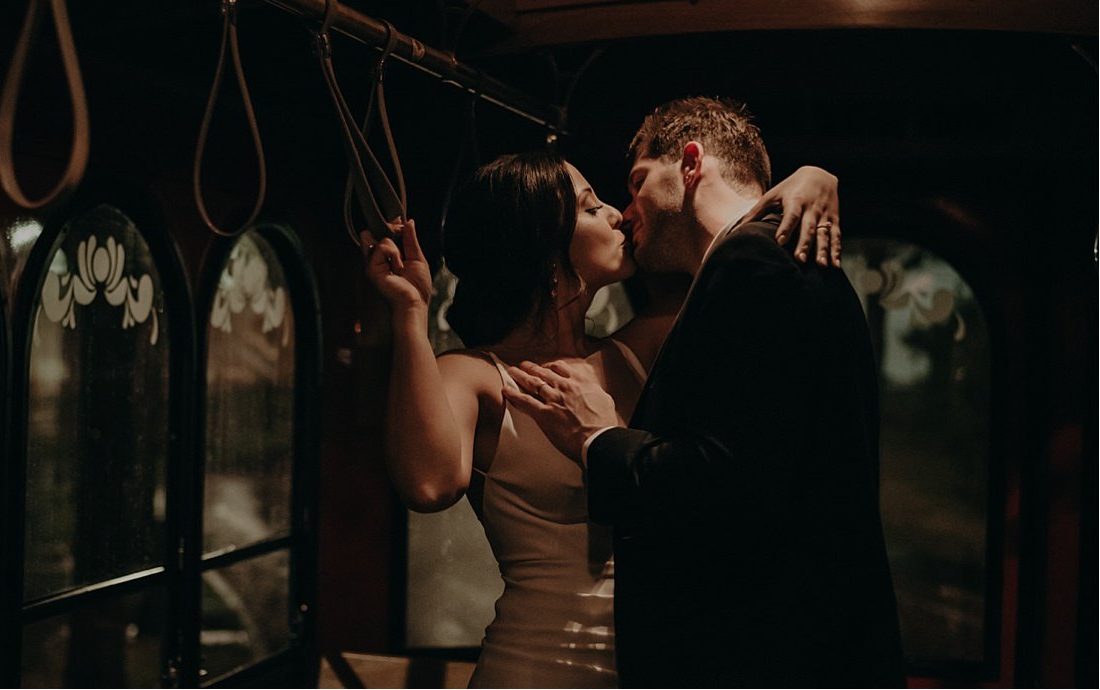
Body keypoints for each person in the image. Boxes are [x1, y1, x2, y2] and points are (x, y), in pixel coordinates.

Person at [361, 149, 841, 688]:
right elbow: (428, 484)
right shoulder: (478, 377)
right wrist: (410, 311)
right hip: (533, 670)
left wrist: (810, 178)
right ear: (545, 249)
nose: (617, 213)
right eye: (591, 208)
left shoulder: (644, 347)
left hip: (657, 669)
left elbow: (728, 254)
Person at [505, 96, 905, 687]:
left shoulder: (751, 262)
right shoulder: (769, 256)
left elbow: (725, 479)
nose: (626, 209)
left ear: (690, 165)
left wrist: (599, 437)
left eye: (637, 181)